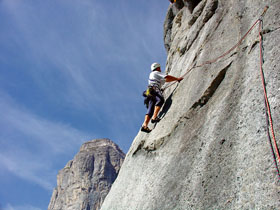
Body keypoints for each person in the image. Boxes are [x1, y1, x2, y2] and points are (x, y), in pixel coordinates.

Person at [141, 63, 183, 133]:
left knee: (150, 108)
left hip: (150, 92)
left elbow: (165, 80)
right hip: (154, 89)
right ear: (157, 68)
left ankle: (145, 125)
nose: (160, 69)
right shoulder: (156, 72)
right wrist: (177, 79)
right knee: (160, 100)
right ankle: (154, 117)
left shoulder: (153, 74)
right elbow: (167, 77)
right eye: (159, 68)